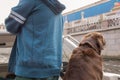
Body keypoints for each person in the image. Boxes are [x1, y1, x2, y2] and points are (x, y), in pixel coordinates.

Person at [5, 0, 65, 80]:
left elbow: (10, 25)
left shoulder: (30, 1)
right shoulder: (58, 10)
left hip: (31, 70)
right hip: (53, 68)